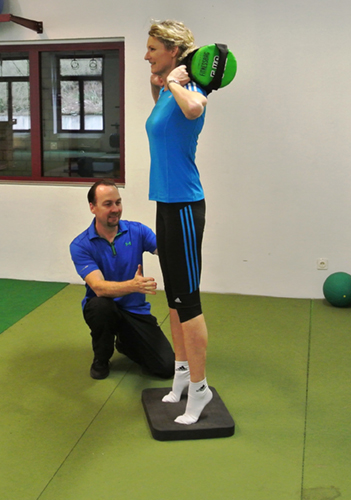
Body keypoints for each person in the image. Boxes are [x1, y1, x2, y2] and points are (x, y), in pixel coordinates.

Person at [144, 20, 212, 425]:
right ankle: (182, 374)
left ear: (173, 50)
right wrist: (160, 80)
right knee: (174, 297)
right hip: (166, 202)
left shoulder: (191, 89)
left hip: (186, 205)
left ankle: (201, 390)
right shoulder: (168, 89)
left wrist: (171, 82)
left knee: (190, 302)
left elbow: (194, 109)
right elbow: (160, 112)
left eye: (153, 48)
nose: (147, 54)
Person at [69, 180, 175, 380]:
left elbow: (166, 250)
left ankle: (126, 342)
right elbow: (98, 287)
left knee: (166, 367)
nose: (115, 209)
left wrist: (179, 233)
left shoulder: (138, 231)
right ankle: (101, 358)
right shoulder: (80, 245)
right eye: (108, 204)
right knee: (100, 307)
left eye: (118, 202)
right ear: (92, 207)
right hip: (104, 308)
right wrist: (133, 285)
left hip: (135, 311)